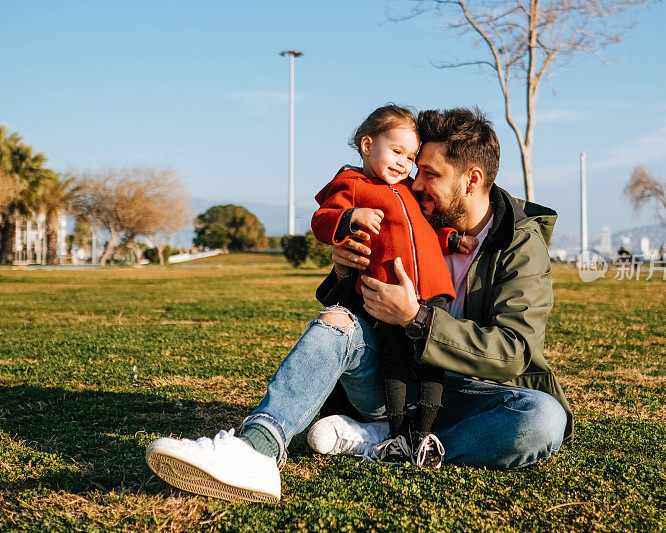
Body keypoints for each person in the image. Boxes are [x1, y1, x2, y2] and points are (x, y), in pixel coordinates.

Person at [145, 107, 573, 504]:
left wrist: (416, 318)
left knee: (543, 420)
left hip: (464, 393)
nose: (415, 183)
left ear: (472, 179)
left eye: (430, 174)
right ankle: (258, 449)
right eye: (415, 170)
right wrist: (345, 269)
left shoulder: (520, 244)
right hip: (388, 375)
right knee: (338, 322)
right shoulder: (412, 212)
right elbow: (355, 293)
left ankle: (387, 443)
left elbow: (513, 351)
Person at [310, 105, 477, 468]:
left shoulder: (408, 190)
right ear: (367, 144)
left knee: (433, 358)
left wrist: (450, 239)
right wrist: (351, 218)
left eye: (411, 157)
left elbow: (426, 229)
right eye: (397, 151)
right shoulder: (352, 184)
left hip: (433, 287)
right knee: (395, 361)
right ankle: (398, 432)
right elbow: (321, 220)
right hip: (385, 293)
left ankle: (425, 432)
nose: (404, 163)